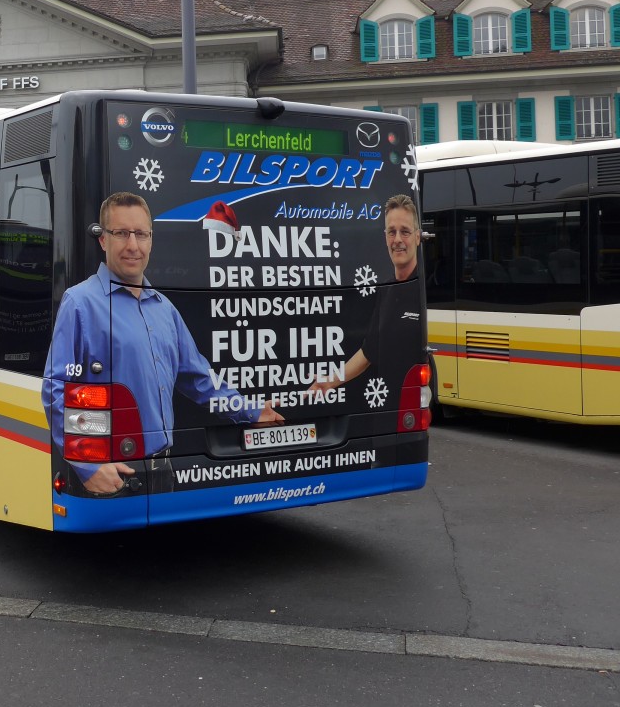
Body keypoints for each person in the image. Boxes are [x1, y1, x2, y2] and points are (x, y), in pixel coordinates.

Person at [43, 191, 283, 496]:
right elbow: (56, 388)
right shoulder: (80, 303)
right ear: (104, 240)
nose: (133, 245)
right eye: (121, 233)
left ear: (151, 241)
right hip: (112, 474)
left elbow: (199, 378)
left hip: (163, 473)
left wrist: (251, 411)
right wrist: (89, 465)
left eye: (141, 234)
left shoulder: (164, 309)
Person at [309, 194, 424, 402]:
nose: (397, 239)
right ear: (385, 237)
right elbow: (369, 350)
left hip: (411, 404)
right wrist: (330, 381)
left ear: (417, 237)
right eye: (392, 232)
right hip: (387, 404)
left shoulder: (425, 289)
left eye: (405, 232)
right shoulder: (386, 290)